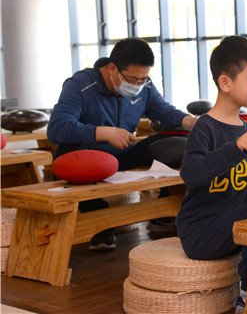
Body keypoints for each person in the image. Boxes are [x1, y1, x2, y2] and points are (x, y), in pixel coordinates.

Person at [47, 37, 197, 249]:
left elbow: (163, 111)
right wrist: (103, 133)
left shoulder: (144, 85)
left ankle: (162, 215)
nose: (138, 85)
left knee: (183, 143)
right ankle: (99, 218)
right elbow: (57, 128)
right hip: (87, 157)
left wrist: (191, 121)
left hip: (124, 154)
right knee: (73, 154)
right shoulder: (80, 85)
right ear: (111, 69)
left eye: (143, 79)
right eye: (133, 79)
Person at [176, 36, 247, 314]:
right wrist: (233, 149)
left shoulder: (246, 130)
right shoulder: (205, 127)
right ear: (225, 82)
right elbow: (191, 174)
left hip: (231, 227)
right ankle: (246, 295)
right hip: (200, 231)